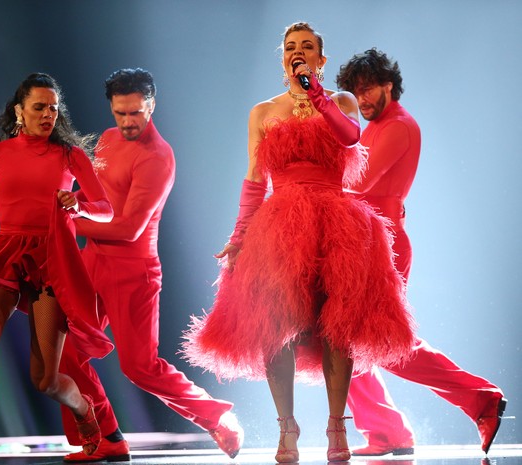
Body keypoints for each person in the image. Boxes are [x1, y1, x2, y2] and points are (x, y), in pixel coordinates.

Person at [182, 22, 416, 463]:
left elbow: (351, 139)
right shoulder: (263, 112)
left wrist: (317, 96)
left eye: (308, 47)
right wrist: (238, 237)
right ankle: (286, 426)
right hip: (280, 223)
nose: (299, 53)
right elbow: (254, 181)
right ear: (282, 57)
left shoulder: (340, 102)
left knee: (337, 324)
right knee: (275, 324)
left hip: (335, 220)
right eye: (291, 47)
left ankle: (335, 426)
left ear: (320, 61)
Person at [58, 68, 244, 463]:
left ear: (152, 105)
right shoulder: (107, 140)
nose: (128, 122)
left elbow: (127, 228)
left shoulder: (157, 157)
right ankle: (106, 435)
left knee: (139, 367)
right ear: (111, 108)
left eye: (136, 113)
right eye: (121, 113)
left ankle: (216, 417)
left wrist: (69, 223)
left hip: (133, 270)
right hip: (93, 260)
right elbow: (87, 196)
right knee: (66, 352)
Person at [335, 48, 507, 456]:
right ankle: (387, 431)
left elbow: (358, 183)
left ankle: (477, 398)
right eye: (357, 92)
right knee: (344, 342)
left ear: (389, 84)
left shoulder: (400, 126)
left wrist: (306, 191)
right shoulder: (377, 126)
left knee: (383, 344)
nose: (363, 100)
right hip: (363, 240)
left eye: (370, 89)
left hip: (385, 243)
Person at [0, 73, 115, 465]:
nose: (48, 115)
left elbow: (105, 210)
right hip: (5, 253)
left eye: (54, 108)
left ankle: (84, 411)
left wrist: (78, 205)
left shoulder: (71, 155)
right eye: (39, 107)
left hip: (51, 260)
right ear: (19, 110)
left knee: (46, 381)